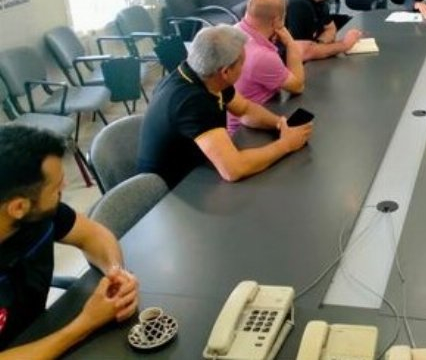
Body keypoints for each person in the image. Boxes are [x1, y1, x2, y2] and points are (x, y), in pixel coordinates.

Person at [0, 125, 139, 357]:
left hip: (39, 331)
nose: (64, 188)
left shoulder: (37, 215)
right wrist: (86, 323)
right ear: (18, 207)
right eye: (56, 187)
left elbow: (93, 235)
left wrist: (115, 273)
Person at [137, 25, 313, 188]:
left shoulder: (204, 74)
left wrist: (280, 123)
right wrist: (286, 145)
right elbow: (233, 169)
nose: (244, 67)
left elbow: (244, 109)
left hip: (198, 169)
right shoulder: (192, 102)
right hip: (172, 191)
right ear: (226, 72)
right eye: (242, 63)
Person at [228, 0, 305, 134]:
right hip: (246, 132)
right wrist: (290, 42)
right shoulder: (262, 56)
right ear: (277, 21)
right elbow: (298, 86)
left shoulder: (232, 31)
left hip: (237, 121)